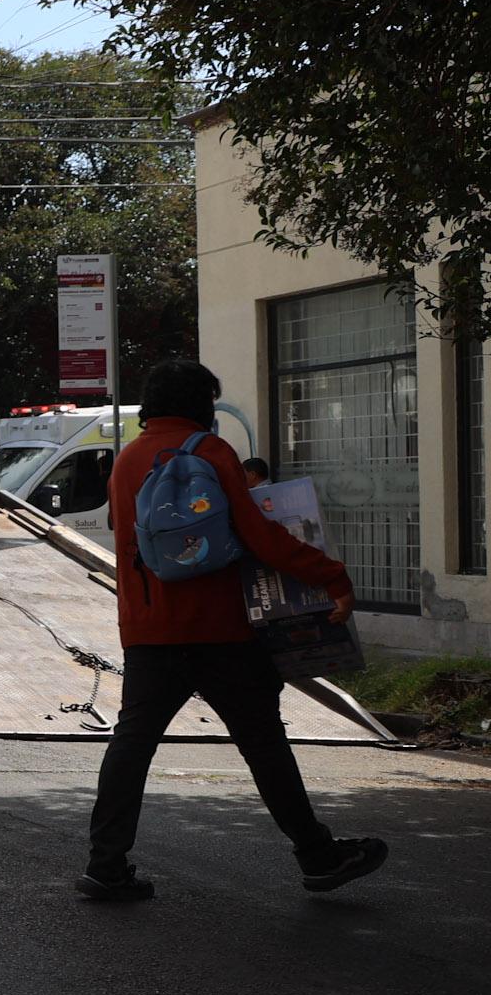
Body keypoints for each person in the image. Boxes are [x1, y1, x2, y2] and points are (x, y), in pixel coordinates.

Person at [81, 357, 383, 902]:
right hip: (221, 631)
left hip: (150, 629)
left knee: (131, 745)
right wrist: (331, 575)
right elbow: (260, 538)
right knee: (264, 745)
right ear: (202, 404)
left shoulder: (127, 461)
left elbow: (120, 533)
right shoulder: (212, 452)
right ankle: (317, 856)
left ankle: (105, 865)